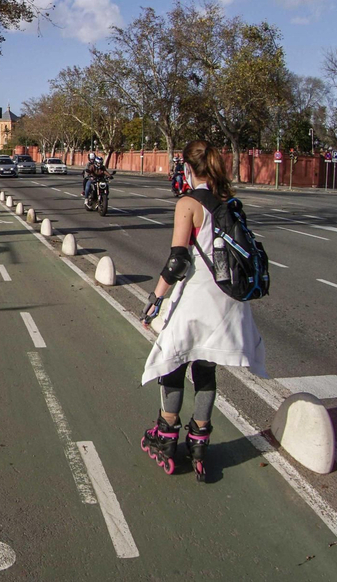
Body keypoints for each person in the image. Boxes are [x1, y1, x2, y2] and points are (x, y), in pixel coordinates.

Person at [137, 140, 267, 481]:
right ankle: (199, 438)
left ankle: (166, 434)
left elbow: (178, 260)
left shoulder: (188, 203)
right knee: (206, 369)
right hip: (226, 302)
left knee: (173, 362)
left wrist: (155, 297)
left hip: (197, 298)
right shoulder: (227, 202)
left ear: (188, 167)